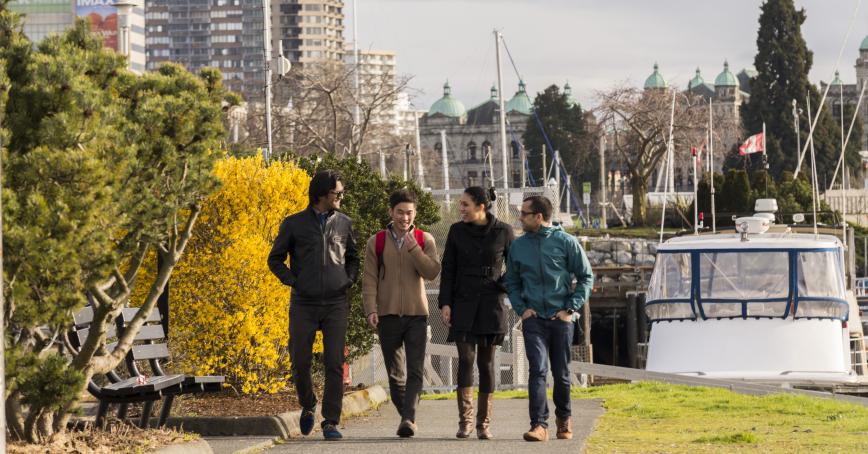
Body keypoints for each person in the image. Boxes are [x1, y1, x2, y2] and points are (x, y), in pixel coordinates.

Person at [268, 170, 359, 440]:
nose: (341, 197)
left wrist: (348, 280)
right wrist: (293, 281)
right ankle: (308, 404)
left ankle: (330, 421)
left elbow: (353, 258)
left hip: (335, 302)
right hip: (303, 303)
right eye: (336, 193)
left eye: (341, 193)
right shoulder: (293, 224)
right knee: (300, 361)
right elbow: (275, 259)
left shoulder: (344, 223)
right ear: (321, 194)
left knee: (334, 363)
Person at [504, 195, 593, 442]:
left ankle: (564, 421)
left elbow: (586, 277)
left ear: (539, 217)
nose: (519, 217)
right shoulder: (518, 247)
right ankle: (539, 425)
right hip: (533, 319)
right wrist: (522, 308)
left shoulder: (566, 242)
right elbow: (511, 281)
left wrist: (570, 309)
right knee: (538, 370)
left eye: (524, 213)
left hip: (561, 320)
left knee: (562, 374)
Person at [362, 189, 441, 438]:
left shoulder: (423, 238)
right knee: (395, 374)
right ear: (391, 212)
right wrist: (371, 309)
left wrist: (414, 249)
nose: (404, 218)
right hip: (387, 315)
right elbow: (369, 279)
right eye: (399, 212)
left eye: (409, 213)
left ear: (414, 213)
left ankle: (408, 418)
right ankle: (407, 414)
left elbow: (431, 272)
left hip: (417, 315)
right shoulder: (377, 241)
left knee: (416, 369)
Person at [438, 186, 514, 439]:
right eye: (460, 204)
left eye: (465, 205)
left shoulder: (504, 231)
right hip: (463, 302)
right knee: (466, 360)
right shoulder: (456, 231)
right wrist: (445, 303)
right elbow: (448, 268)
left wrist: (500, 286)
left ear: (481, 206)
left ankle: (484, 423)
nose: (461, 209)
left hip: (491, 304)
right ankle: (465, 422)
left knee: (487, 362)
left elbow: (514, 268)